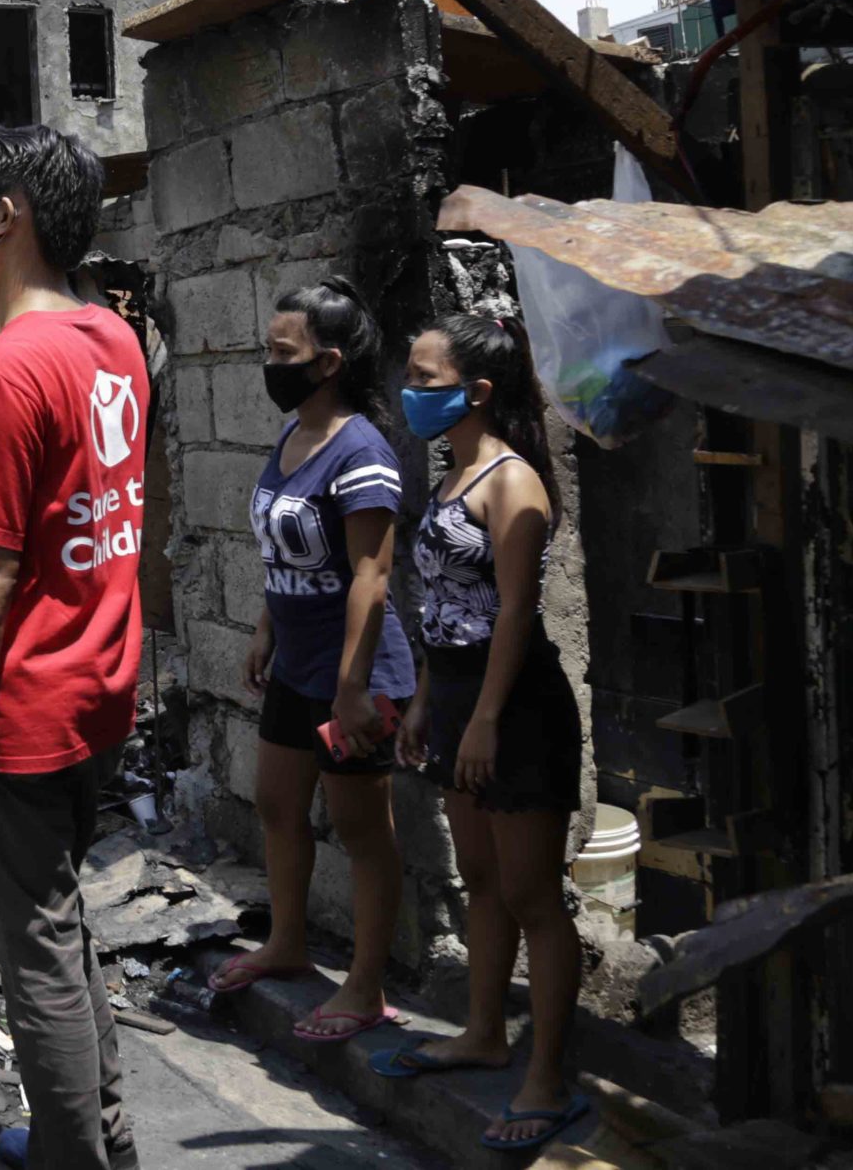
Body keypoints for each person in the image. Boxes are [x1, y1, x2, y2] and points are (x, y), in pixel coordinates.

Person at [0, 122, 149, 1170]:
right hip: (99, 686)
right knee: (63, 924)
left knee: (35, 952)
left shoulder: (7, 371)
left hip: (25, 708)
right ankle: (96, 1135)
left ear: (5, 218)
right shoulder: (112, 341)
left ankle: (68, 1157)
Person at [376, 314, 588, 1153]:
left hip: (517, 705)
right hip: (461, 694)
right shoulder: (452, 472)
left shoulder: (514, 485)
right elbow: (442, 607)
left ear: (478, 391)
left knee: (533, 892)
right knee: (482, 878)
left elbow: (512, 611)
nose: (414, 392)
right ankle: (482, 1032)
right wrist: (430, 698)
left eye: (427, 380)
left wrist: (488, 718)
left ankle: (549, 1077)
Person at [208, 276, 417, 1044]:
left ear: (328, 362)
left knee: (364, 832)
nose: (269, 361)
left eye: (281, 351)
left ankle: (365, 986)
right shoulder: (294, 434)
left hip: (354, 678)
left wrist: (352, 687)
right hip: (296, 666)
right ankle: (288, 943)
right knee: (277, 804)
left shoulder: (362, 452)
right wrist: (265, 624)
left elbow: (371, 573)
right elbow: (285, 551)